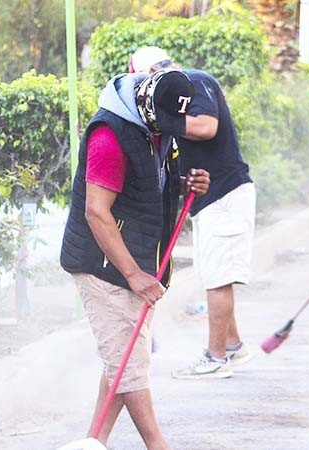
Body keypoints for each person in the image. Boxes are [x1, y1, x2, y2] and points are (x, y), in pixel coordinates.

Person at [60, 69, 210, 449]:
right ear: (146, 106)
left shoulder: (156, 125)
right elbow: (97, 212)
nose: (171, 131)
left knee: (120, 359)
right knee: (129, 365)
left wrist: (183, 183)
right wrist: (133, 274)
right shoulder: (110, 137)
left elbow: (145, 183)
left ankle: (94, 442)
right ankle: (158, 445)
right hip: (104, 267)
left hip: (136, 262)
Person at [130, 47, 256, 380]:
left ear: (156, 71)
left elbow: (207, 126)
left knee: (217, 279)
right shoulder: (185, 91)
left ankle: (216, 359)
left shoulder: (193, 81)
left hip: (224, 194)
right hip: (212, 196)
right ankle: (232, 346)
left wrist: (163, 119)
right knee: (213, 274)